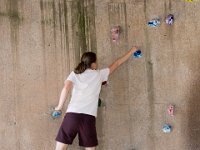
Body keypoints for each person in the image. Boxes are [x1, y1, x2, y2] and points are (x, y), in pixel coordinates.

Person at [55, 46, 139, 150]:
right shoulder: (99, 74)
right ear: (93, 63)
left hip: (72, 115)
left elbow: (66, 88)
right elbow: (117, 63)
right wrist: (131, 51)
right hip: (88, 118)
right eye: (96, 62)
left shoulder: (75, 74)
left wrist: (59, 107)